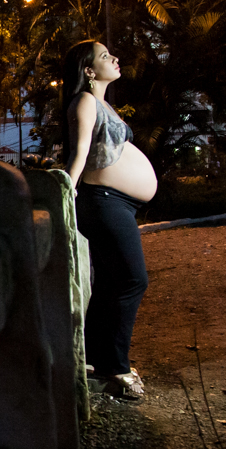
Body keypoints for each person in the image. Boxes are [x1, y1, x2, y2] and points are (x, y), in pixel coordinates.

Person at [62, 40, 157, 399]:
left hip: (115, 203)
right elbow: (80, 151)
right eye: (104, 56)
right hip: (103, 202)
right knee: (133, 279)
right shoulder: (85, 101)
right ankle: (115, 366)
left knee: (112, 283)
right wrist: (66, 192)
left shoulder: (103, 104)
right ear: (88, 71)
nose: (114, 58)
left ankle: (90, 357)